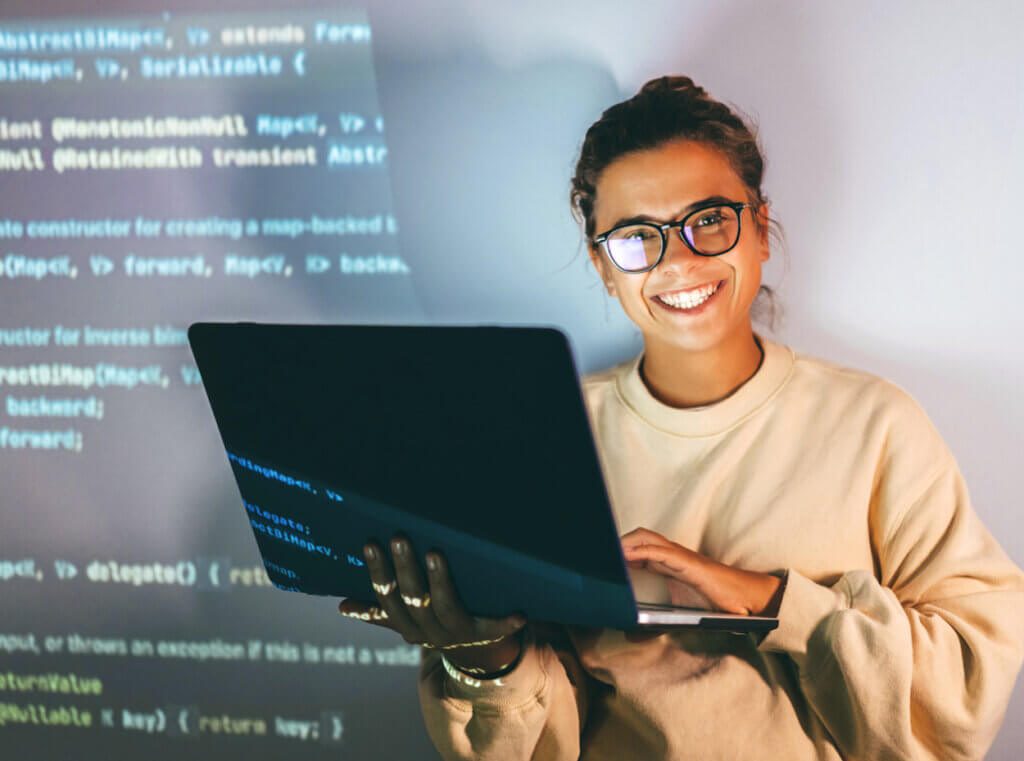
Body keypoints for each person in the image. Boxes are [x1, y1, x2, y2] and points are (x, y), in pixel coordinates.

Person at [337, 76, 1024, 760]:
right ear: (603, 267)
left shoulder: (876, 425)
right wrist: (485, 657)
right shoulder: (543, 437)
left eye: (710, 220)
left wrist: (765, 600)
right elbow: (534, 743)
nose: (679, 259)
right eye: (637, 237)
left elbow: (965, 694)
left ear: (759, 228)